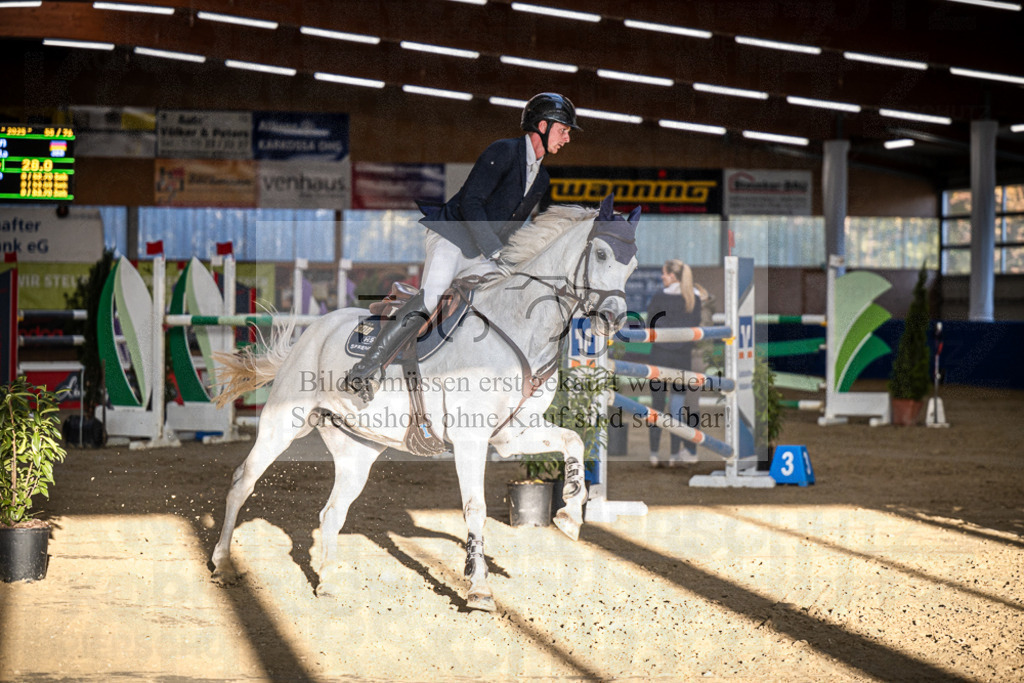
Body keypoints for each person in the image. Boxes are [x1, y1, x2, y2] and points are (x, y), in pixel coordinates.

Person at [344, 92, 582, 400]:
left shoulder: (542, 179)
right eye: (564, 130)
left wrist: (510, 260)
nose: (567, 138)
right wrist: (494, 250)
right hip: (452, 237)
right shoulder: (504, 151)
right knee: (431, 297)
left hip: (483, 252)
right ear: (542, 125)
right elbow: (471, 202)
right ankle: (365, 368)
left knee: (499, 302)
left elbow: (513, 227)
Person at [646, 259, 703, 467]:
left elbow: (649, 322)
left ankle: (653, 454)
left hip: (659, 356)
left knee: (657, 406)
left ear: (673, 275)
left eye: (664, 273)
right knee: (677, 408)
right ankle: (673, 456)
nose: (662, 277)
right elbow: (695, 326)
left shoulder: (659, 297)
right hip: (682, 358)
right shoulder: (693, 298)